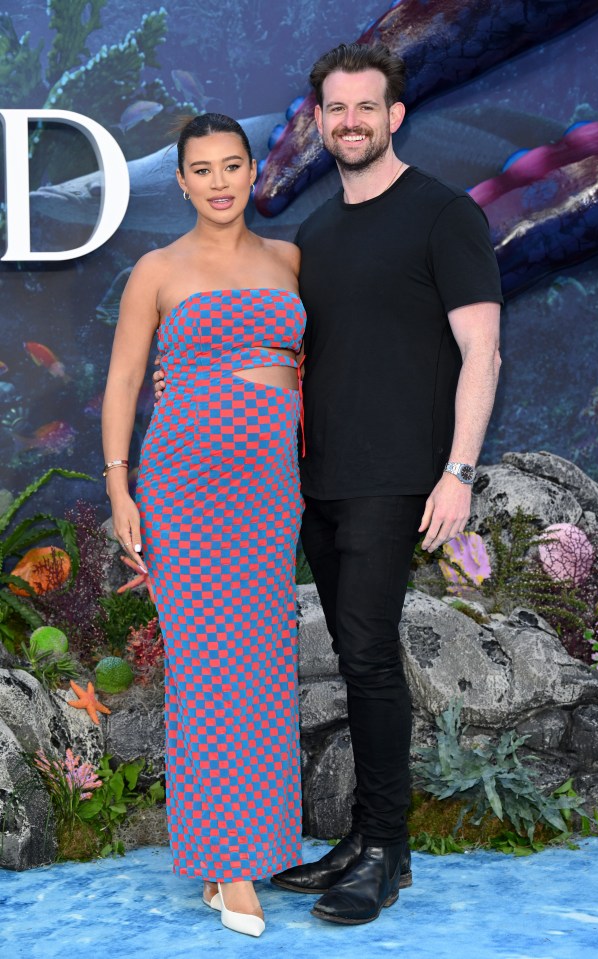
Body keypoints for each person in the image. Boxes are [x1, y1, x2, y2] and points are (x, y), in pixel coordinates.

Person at [155, 42, 503, 926]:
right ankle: (360, 835)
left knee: (369, 651)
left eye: (365, 108)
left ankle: (387, 848)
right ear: (319, 121)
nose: (349, 122)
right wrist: (186, 379)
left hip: (396, 479)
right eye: (334, 110)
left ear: (395, 116)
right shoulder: (312, 237)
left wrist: (457, 470)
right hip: (308, 482)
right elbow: (274, 348)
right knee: (350, 655)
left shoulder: (443, 215)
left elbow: (482, 351)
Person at [102, 113, 306, 939]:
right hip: (184, 484)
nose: (219, 181)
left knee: (263, 668)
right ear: (180, 182)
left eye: (232, 165)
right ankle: (232, 868)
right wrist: (121, 488)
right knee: (206, 672)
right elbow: (121, 385)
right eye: (201, 169)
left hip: (268, 489)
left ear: (254, 171)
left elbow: (309, 375)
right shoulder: (155, 269)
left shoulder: (289, 261)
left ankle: (245, 850)